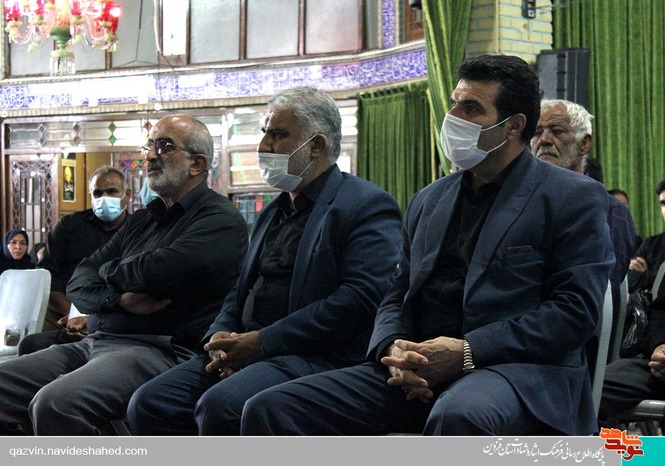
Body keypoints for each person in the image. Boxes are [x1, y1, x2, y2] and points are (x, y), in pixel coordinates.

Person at [239, 55, 614, 437]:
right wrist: (392, 349)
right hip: (417, 366)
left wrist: (465, 352)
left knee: (459, 416)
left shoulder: (570, 196)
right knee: (270, 408)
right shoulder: (430, 199)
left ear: (513, 126)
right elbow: (396, 291)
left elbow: (574, 312)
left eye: (471, 108)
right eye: (454, 103)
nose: (452, 116)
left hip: (515, 372)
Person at [126, 86, 403, 436]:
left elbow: (360, 299)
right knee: (150, 402)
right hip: (249, 347)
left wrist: (262, 342)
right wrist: (219, 336)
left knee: (221, 405)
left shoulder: (364, 204)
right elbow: (241, 288)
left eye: (278, 135)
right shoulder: (272, 211)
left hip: (313, 354)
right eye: (264, 133)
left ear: (316, 145)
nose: (263, 147)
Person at [0, 114, 249, 435]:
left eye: (164, 146)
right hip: (98, 339)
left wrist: (107, 271)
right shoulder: (143, 221)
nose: (150, 156)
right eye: (149, 146)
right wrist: (118, 300)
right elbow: (79, 279)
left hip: (157, 348)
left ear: (197, 163)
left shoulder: (219, 219)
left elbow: (157, 271)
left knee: (55, 403)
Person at [531, 99, 637, 361]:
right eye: (536, 132)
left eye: (556, 131)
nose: (544, 140)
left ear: (584, 144)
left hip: (562, 349)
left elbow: (600, 296)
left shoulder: (610, 211)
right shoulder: (517, 205)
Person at [17, 166, 137, 354]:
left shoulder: (139, 230)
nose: (104, 198)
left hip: (113, 311)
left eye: (112, 192)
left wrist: (91, 319)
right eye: (98, 193)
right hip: (63, 309)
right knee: (30, 342)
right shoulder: (69, 225)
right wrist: (72, 313)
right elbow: (48, 273)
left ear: (127, 195)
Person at [598, 181, 665, 421]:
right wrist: (659, 346)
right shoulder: (653, 243)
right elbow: (660, 309)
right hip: (658, 366)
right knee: (587, 391)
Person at [626, 179, 665, 294]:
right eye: (663, 203)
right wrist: (653, 277)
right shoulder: (651, 244)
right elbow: (629, 279)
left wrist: (645, 275)